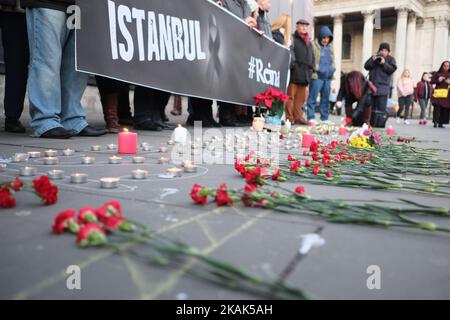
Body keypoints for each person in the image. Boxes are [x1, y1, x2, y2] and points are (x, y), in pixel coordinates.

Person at [21, 0, 106, 138]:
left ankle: (72, 119)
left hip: (84, 5)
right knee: (47, 60)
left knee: (77, 65)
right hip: (47, 3)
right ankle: (45, 121)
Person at [0, 0, 28, 133]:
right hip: (15, 10)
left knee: (17, 62)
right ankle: (11, 118)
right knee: (16, 63)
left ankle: (12, 117)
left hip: (16, 10)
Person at [286, 19, 314, 125]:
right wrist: (295, 66)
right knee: (290, 97)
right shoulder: (293, 38)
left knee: (300, 99)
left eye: (306, 26)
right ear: (297, 26)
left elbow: (312, 56)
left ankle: (298, 117)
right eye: (302, 25)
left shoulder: (308, 42)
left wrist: (311, 68)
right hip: (295, 72)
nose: (304, 28)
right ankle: (289, 117)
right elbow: (291, 53)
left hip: (305, 74)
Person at [306, 26, 335, 123]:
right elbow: (310, 57)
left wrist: (333, 69)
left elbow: (333, 60)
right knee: (313, 97)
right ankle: (311, 117)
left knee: (326, 99)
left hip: (327, 77)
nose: (326, 40)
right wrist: (315, 68)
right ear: (320, 37)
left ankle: (324, 118)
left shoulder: (330, 47)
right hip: (317, 76)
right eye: (324, 37)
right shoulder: (314, 45)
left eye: (327, 38)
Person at [364, 43, 397, 127]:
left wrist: (384, 63)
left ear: (388, 52)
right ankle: (370, 125)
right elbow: (366, 66)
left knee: (381, 109)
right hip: (372, 88)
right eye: (382, 50)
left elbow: (392, 70)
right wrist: (372, 59)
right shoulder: (375, 57)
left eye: (385, 51)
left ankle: (380, 126)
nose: (383, 52)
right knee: (371, 108)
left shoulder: (391, 59)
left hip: (383, 88)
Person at [431, 61, 450, 128]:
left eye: (448, 66)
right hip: (438, 93)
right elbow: (432, 81)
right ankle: (435, 122)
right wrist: (438, 80)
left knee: (444, 109)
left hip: (447, 94)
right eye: (445, 65)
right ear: (442, 65)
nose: (446, 67)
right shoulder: (437, 73)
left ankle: (441, 123)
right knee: (437, 108)